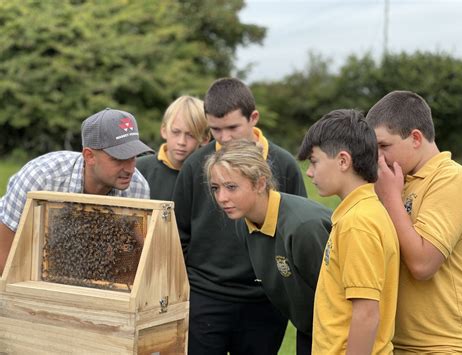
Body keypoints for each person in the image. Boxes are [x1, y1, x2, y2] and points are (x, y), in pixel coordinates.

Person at [172, 77, 307, 355]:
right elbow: (178, 233)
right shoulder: (196, 165)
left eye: (233, 127)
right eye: (216, 130)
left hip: (266, 302)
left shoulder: (284, 165)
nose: (225, 138)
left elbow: (297, 234)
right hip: (206, 299)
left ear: (253, 118)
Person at [365, 90, 462, 353]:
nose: (377, 158)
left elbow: (423, 264)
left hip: (447, 345)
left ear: (415, 138)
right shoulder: (397, 180)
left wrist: (390, 197)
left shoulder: (451, 179)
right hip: (400, 344)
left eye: (384, 146)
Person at [204, 139, 331, 355]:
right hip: (309, 330)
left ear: (260, 184)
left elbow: (340, 299)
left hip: (337, 332)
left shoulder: (302, 227)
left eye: (231, 187)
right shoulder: (245, 223)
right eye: (216, 188)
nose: (221, 198)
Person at [0, 108, 152, 274]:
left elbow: (137, 260)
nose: (130, 169)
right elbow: (4, 254)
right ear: (89, 156)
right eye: (120, 158)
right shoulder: (40, 178)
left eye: (133, 157)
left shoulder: (138, 187)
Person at [297, 109, 400, 354]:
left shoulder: (358, 223)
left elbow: (366, 314)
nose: (310, 172)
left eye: (314, 161)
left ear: (343, 160)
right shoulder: (359, 213)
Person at [137, 95, 210, 200]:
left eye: (191, 135)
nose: (181, 142)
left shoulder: (211, 176)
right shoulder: (138, 170)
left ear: (205, 139)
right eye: (176, 132)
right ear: (164, 131)